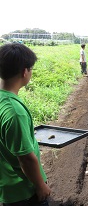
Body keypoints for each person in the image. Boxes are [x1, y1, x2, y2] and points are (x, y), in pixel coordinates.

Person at [0, 43, 51, 205]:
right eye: (31, 69)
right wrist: (40, 185)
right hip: (24, 191)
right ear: (24, 71)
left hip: (6, 187)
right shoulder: (14, 111)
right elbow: (26, 159)